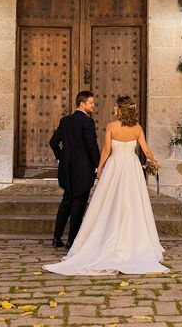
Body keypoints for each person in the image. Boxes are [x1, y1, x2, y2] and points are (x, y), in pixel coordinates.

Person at [43, 95, 169, 275]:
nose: (114, 110)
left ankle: (88, 238)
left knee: (108, 201)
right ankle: (133, 241)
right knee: (133, 202)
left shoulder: (111, 126)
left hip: (115, 166)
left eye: (116, 107)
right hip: (131, 168)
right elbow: (146, 150)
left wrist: (100, 167)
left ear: (120, 109)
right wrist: (154, 162)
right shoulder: (137, 128)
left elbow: (106, 150)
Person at [49, 91, 100, 249]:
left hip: (67, 168)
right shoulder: (87, 122)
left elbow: (53, 142)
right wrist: (98, 165)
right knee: (78, 204)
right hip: (83, 170)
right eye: (91, 102)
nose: (93, 105)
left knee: (66, 202)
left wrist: (61, 157)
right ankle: (72, 241)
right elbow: (91, 146)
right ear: (82, 104)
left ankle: (56, 238)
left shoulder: (65, 120)